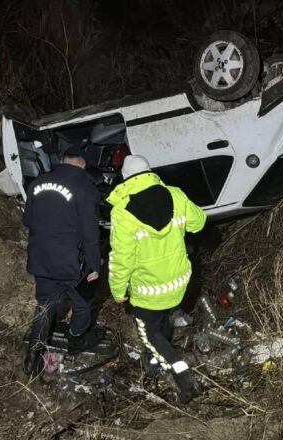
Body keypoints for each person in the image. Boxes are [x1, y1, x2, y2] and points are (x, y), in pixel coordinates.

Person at [107, 155, 206, 403]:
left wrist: (118, 292)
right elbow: (199, 222)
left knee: (150, 334)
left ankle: (182, 377)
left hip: (148, 293)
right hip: (179, 282)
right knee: (162, 322)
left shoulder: (122, 212)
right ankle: (151, 362)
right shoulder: (175, 194)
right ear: (150, 172)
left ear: (126, 179)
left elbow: (121, 259)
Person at [22, 146, 101, 379]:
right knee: (83, 303)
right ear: (84, 163)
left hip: (42, 258)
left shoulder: (37, 183)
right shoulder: (86, 188)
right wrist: (95, 265)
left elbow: (28, 220)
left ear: (62, 159)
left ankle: (33, 355)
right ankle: (76, 339)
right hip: (71, 262)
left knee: (45, 305)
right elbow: (90, 233)